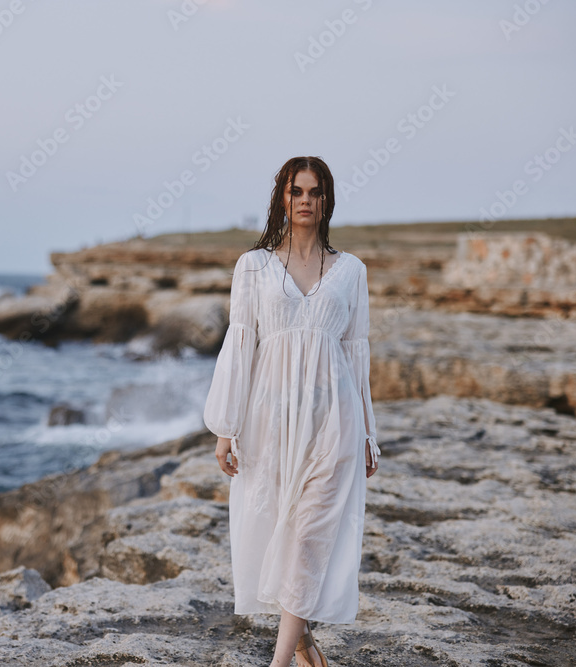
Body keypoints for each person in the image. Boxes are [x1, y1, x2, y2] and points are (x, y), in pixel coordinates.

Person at [202, 156, 380, 667]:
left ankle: (279, 661)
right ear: (283, 198)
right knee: (274, 527)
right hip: (269, 422)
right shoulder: (253, 266)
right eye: (296, 191)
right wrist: (225, 428)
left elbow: (355, 355)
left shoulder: (351, 271)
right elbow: (240, 348)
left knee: (308, 534)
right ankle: (302, 641)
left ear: (327, 201)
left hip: (334, 421)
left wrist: (368, 433)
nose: (305, 200)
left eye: (315, 191)